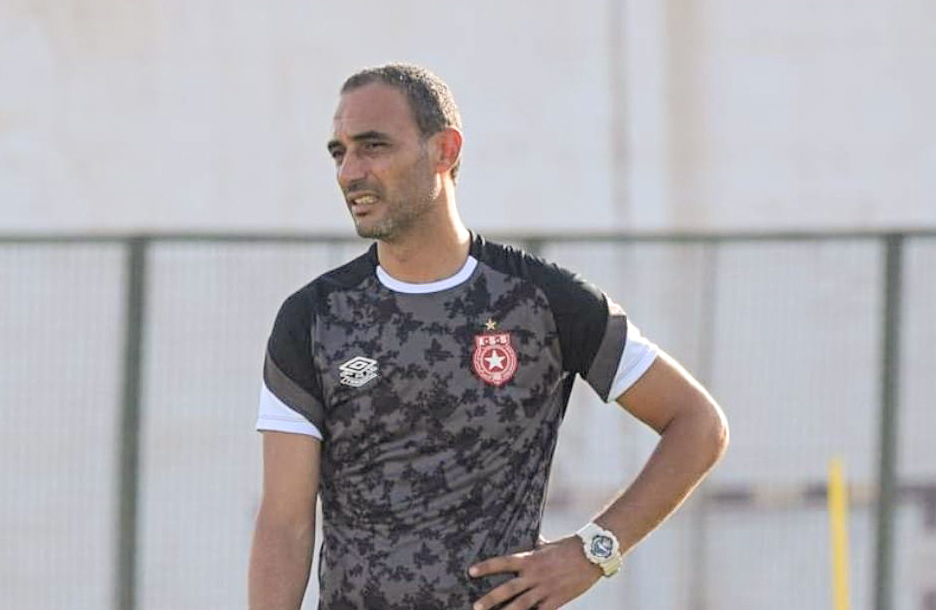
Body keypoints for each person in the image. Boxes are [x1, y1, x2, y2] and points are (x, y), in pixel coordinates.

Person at [248, 63, 728, 610]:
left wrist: (593, 552)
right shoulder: (313, 318)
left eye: (373, 146)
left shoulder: (543, 301)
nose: (349, 172)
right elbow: (284, 523)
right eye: (340, 152)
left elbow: (698, 424)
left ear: (444, 150)